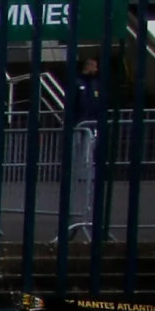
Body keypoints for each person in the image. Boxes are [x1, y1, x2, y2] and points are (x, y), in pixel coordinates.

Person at [63, 52, 106, 243]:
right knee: (80, 148)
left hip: (93, 124)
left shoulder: (95, 84)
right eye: (94, 66)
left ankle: (87, 173)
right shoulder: (78, 83)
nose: (96, 69)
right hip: (81, 124)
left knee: (91, 149)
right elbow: (72, 104)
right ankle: (79, 172)